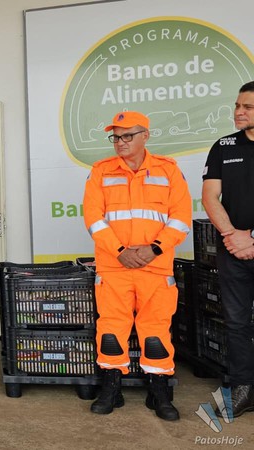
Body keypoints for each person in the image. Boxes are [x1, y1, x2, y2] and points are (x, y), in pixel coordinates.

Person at [83, 111, 191, 421]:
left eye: (127, 136)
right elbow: (93, 218)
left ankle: (159, 392)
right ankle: (111, 389)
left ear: (146, 135)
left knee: (156, 331)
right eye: (116, 137)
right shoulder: (100, 171)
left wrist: (153, 249)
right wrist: (120, 251)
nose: (120, 142)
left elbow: (181, 218)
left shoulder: (168, 170)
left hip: (155, 266)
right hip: (113, 266)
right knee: (110, 330)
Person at [201, 81, 254, 418]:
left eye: (247, 107)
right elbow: (210, 196)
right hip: (233, 251)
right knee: (236, 323)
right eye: (237, 105)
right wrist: (233, 235)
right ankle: (243, 388)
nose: (238, 112)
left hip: (244, 244)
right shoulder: (223, 146)